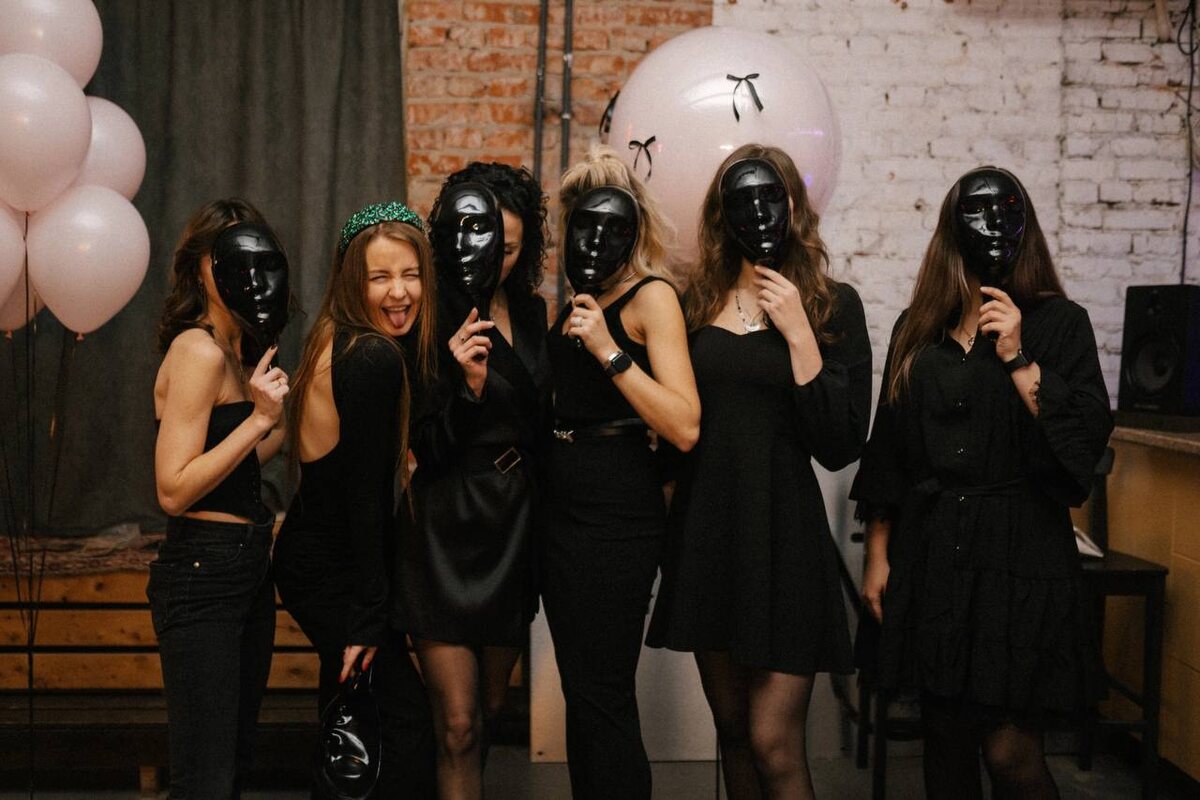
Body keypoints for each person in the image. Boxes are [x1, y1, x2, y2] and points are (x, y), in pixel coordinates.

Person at [851, 167, 1112, 800]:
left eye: (1008, 212)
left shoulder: (1060, 323)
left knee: (1010, 749)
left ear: (1026, 227)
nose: (994, 226)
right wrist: (878, 555)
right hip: (934, 553)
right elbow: (890, 449)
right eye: (977, 213)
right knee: (945, 739)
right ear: (952, 230)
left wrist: (1018, 356)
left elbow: (1081, 448)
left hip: (1021, 557)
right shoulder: (917, 328)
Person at [646, 143, 871, 799]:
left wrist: (799, 333)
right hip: (707, 536)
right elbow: (674, 432)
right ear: (722, 217)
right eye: (740, 201)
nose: (758, 212)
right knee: (735, 733)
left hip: (784, 537)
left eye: (771, 196)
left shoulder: (833, 305)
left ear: (794, 206)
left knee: (774, 741)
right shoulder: (692, 305)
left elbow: (839, 444)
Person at [541, 145, 701, 800]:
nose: (596, 240)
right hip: (563, 513)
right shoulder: (581, 299)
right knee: (583, 693)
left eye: (612, 227)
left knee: (602, 692)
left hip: (616, 518)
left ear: (635, 231)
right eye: (583, 225)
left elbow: (684, 423)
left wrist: (609, 350)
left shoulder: (651, 296)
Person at [395, 163, 550, 798]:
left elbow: (544, 421)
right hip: (444, 523)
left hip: (512, 525)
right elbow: (425, 447)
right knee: (457, 726)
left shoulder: (533, 313)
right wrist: (467, 389)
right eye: (485, 240)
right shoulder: (426, 315)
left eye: (508, 247)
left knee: (488, 713)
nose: (493, 257)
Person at [274, 201, 438, 799]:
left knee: (350, 724)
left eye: (411, 274)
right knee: (403, 727)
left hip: (318, 559)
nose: (399, 291)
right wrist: (368, 619)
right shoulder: (370, 358)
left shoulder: (336, 336)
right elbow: (366, 500)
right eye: (380, 277)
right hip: (333, 572)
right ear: (352, 281)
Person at [150, 198, 291, 798]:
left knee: (231, 767)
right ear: (200, 268)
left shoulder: (238, 349)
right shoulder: (199, 350)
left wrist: (274, 417)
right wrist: (257, 420)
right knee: (204, 779)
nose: (245, 272)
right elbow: (174, 487)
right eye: (227, 257)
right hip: (203, 568)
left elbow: (242, 458)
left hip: (246, 564)